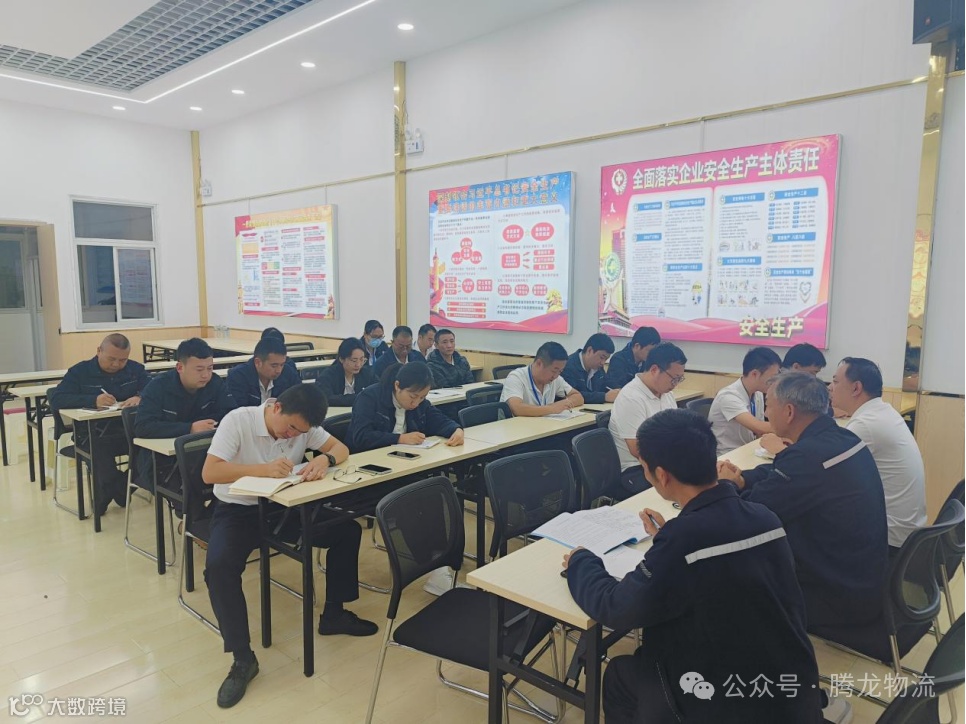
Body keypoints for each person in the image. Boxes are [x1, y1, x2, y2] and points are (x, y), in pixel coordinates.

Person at [564, 409, 822, 724]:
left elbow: (616, 608)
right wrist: (667, 540)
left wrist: (581, 561)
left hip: (727, 702)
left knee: (620, 675)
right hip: (791, 691)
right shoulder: (765, 518)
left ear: (661, 475)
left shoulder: (684, 540)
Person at [202, 384, 378, 709]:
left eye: (301, 432)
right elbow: (210, 472)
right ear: (277, 408)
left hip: (283, 506)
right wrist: (262, 470)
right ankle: (242, 658)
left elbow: (340, 448)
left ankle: (334, 615)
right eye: (291, 428)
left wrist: (324, 459)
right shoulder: (239, 420)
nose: (293, 436)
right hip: (238, 509)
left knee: (347, 531)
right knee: (219, 567)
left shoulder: (304, 426)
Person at [717, 372, 888, 634]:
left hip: (834, 596)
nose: (766, 414)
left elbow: (747, 517)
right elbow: (782, 474)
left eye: (769, 406)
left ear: (788, 412)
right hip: (863, 577)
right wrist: (742, 479)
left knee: (725, 570)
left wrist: (726, 486)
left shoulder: (807, 457)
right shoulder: (841, 438)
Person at [829, 357, 926, 555]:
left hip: (889, 540)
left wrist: (783, 449)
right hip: (907, 534)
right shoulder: (882, 411)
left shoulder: (866, 424)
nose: (830, 387)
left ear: (856, 388)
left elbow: (824, 466)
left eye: (835, 381)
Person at [49, 333, 149, 515]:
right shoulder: (80, 372)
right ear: (98, 351)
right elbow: (57, 399)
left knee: (150, 454)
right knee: (101, 455)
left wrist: (140, 397)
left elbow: (153, 388)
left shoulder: (135, 370)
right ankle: (117, 492)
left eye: (123, 360)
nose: (116, 364)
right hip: (90, 434)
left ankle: (116, 490)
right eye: (111, 359)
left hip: (126, 431)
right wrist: (93, 400)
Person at [135, 338, 235, 492]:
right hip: (162, 462)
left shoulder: (215, 383)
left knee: (228, 482)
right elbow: (142, 427)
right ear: (180, 367)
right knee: (191, 491)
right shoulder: (158, 387)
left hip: (202, 454)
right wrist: (189, 428)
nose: (206, 375)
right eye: (199, 370)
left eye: (210, 368)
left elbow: (230, 414)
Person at [608, 343, 687, 497]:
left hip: (663, 462)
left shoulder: (666, 394)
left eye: (680, 379)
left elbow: (677, 432)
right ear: (654, 370)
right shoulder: (631, 397)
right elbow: (637, 449)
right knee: (684, 489)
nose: (675, 385)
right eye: (674, 378)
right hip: (636, 469)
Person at [346, 362, 464, 452]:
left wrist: (456, 430)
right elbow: (362, 437)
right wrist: (400, 438)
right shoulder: (369, 398)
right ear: (397, 386)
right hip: (368, 459)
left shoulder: (420, 403)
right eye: (413, 396)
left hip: (404, 457)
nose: (416, 403)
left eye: (422, 397)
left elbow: (438, 420)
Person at [708, 346, 780, 454]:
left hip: (746, 449)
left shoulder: (758, 394)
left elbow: (760, 433)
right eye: (772, 377)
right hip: (726, 455)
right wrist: (791, 427)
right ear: (755, 374)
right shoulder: (728, 396)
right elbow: (759, 427)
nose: (774, 382)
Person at [499, 342, 583, 417]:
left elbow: (578, 397)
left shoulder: (556, 379)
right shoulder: (516, 377)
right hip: (516, 427)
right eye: (554, 371)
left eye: (560, 371)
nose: (556, 376)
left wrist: (565, 404)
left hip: (542, 426)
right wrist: (552, 408)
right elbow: (516, 408)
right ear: (539, 363)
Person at [226, 337, 301, 408]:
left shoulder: (288, 373)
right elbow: (239, 411)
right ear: (258, 362)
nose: (279, 370)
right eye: (274, 366)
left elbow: (299, 401)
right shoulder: (238, 376)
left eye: (282, 365)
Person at [316, 337, 377, 407]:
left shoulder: (366, 373)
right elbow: (326, 398)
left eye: (362, 360)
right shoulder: (328, 376)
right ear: (341, 359)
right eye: (354, 360)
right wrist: (360, 397)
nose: (358, 364)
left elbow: (378, 390)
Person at [562, 333, 619, 404]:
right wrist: (604, 397)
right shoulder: (568, 366)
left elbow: (606, 384)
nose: (603, 363)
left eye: (606, 359)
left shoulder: (598, 368)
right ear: (589, 350)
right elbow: (572, 395)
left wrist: (618, 391)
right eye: (602, 357)